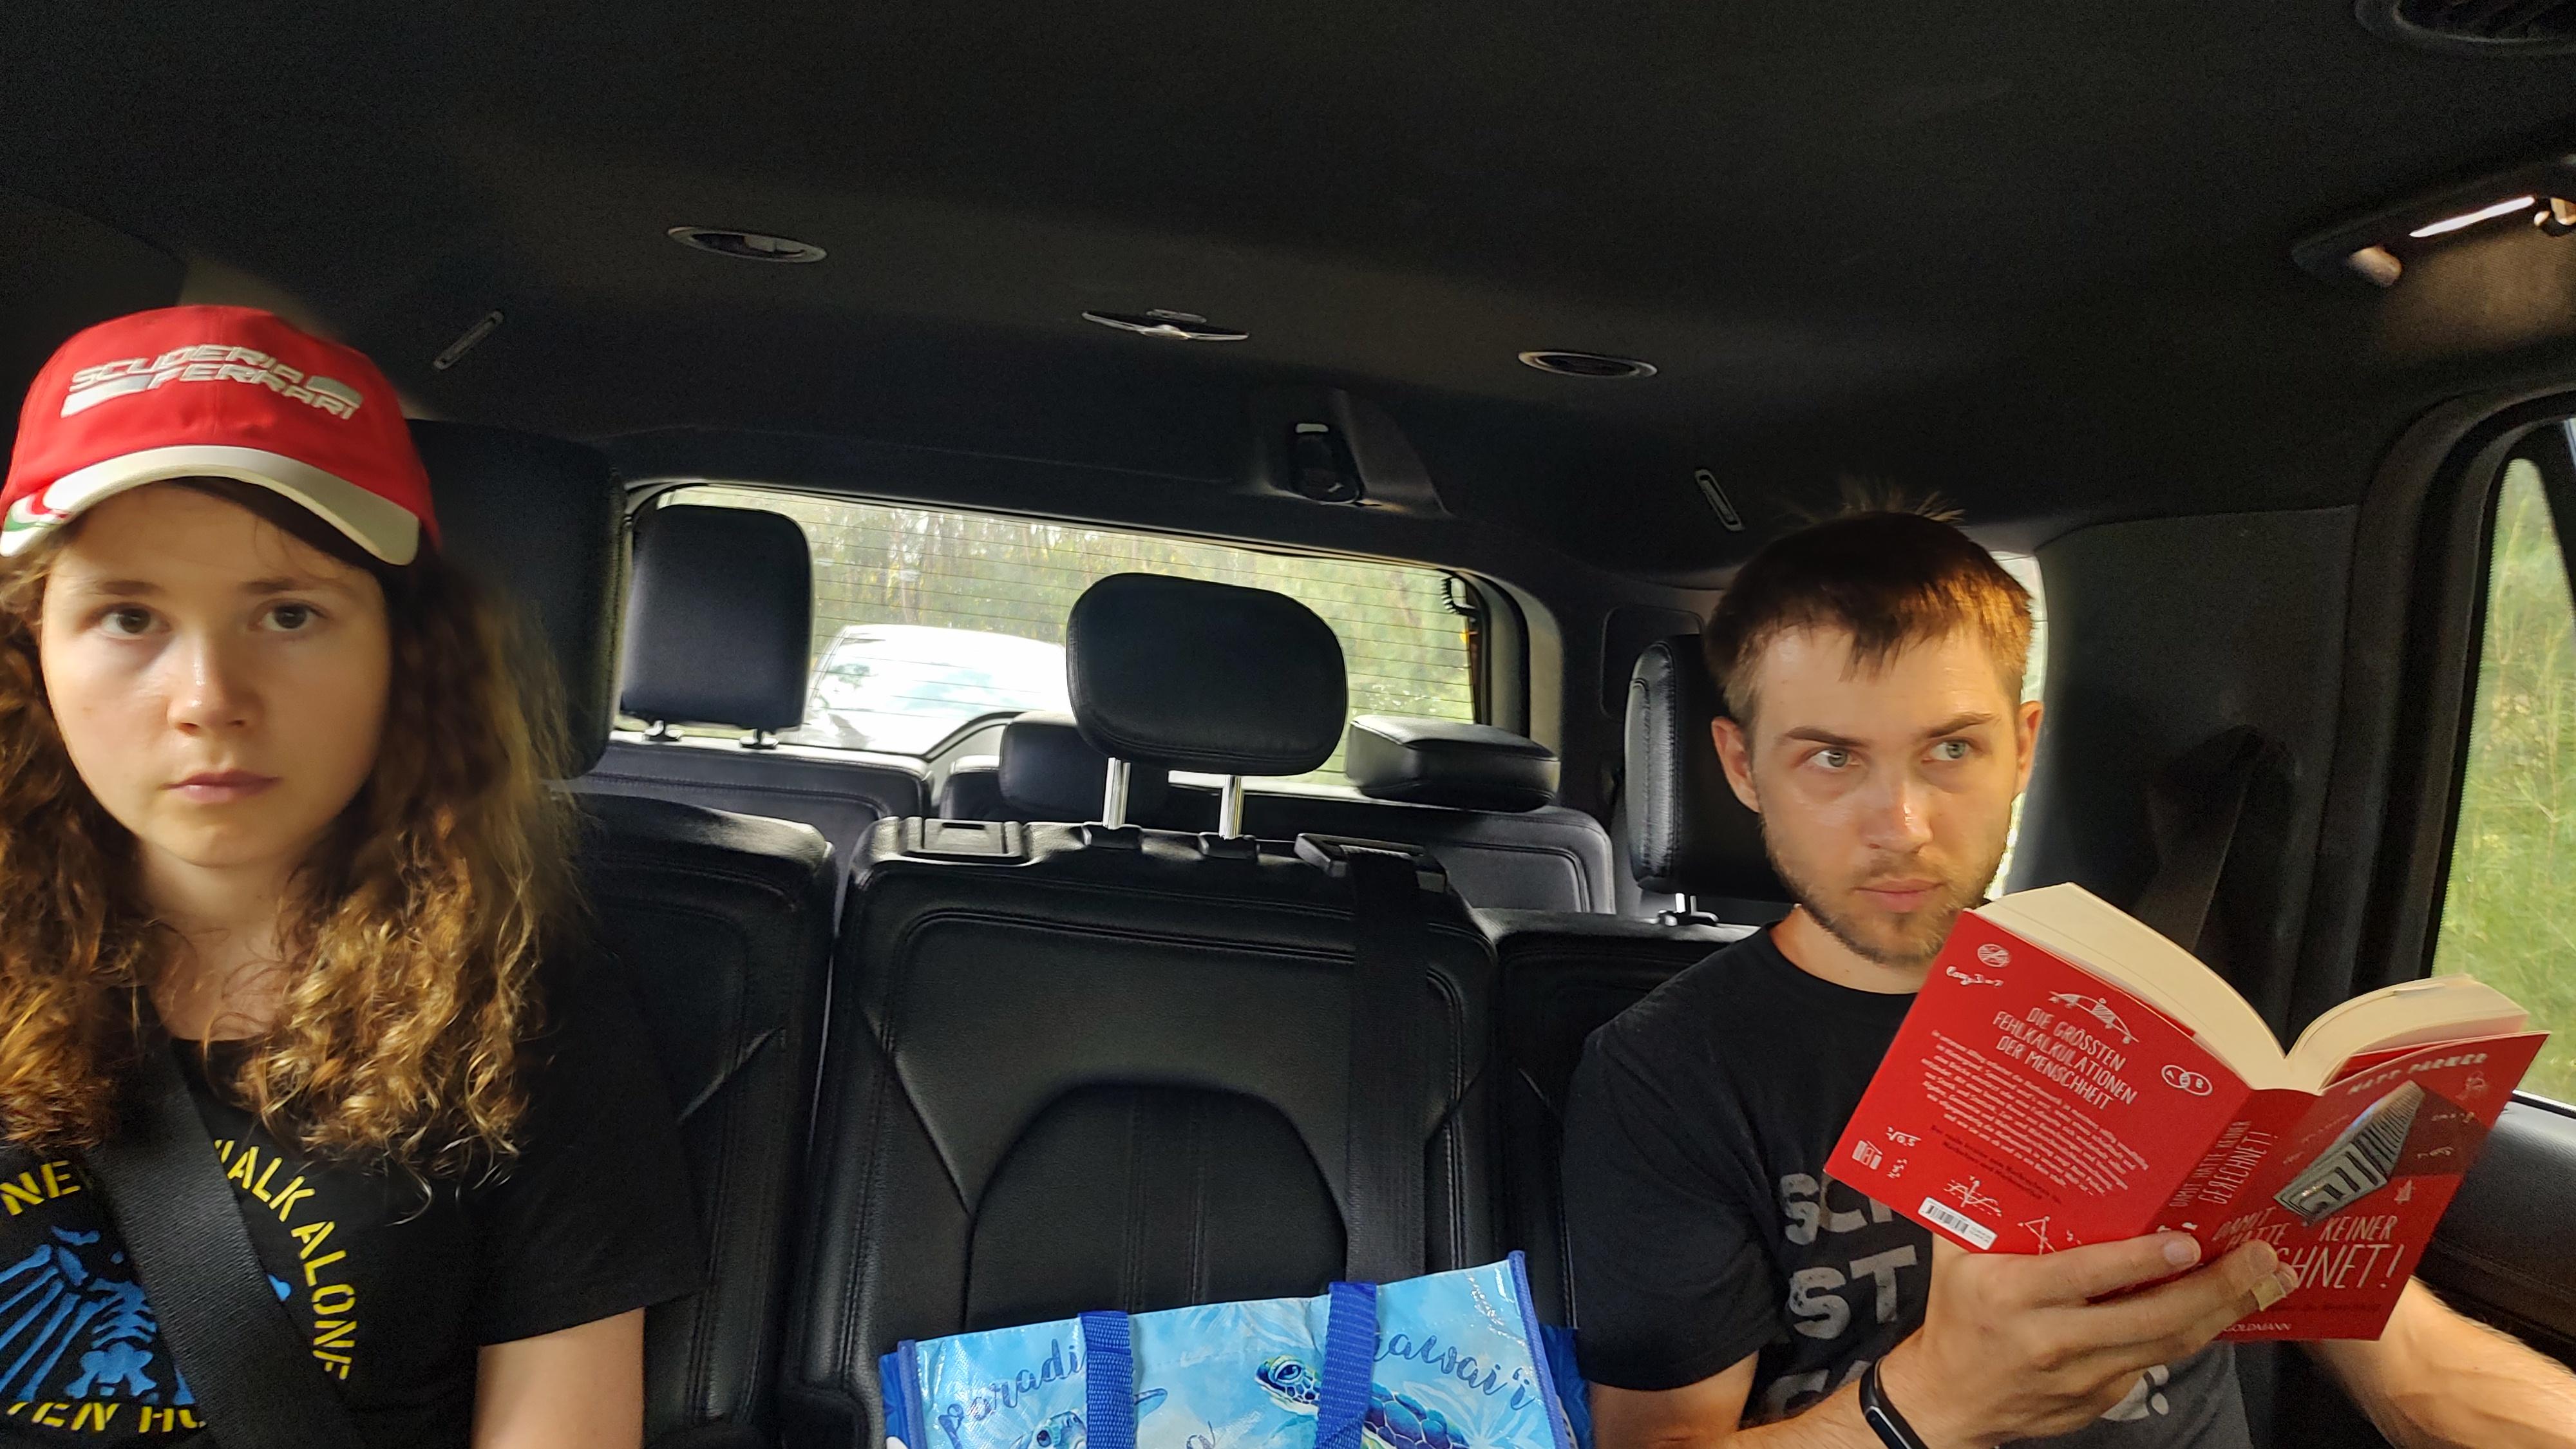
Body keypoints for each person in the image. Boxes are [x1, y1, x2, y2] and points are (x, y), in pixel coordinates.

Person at [1562, 508, 2576, 1448]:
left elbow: (2415, 1368)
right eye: (1832, 758)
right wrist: (1927, 1400)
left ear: (2021, 748)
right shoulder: (1667, 1072)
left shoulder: (2149, 1016)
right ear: (1742, 766)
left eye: (1951, 747)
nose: (1902, 827)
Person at [0, 306, 701, 1448]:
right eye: (129, 615)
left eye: (289, 613)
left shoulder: (527, 1005)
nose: (208, 698)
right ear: (31, 649)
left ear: (403, 651)